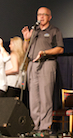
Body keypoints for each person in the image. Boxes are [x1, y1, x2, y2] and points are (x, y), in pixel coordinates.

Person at [21, 7, 64, 136]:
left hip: (47, 63)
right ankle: (35, 125)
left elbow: (60, 49)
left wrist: (45, 52)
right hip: (33, 65)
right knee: (33, 97)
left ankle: (45, 126)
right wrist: (26, 39)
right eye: (39, 14)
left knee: (45, 96)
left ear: (49, 17)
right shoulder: (35, 31)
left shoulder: (54, 31)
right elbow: (25, 51)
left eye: (44, 15)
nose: (41, 17)